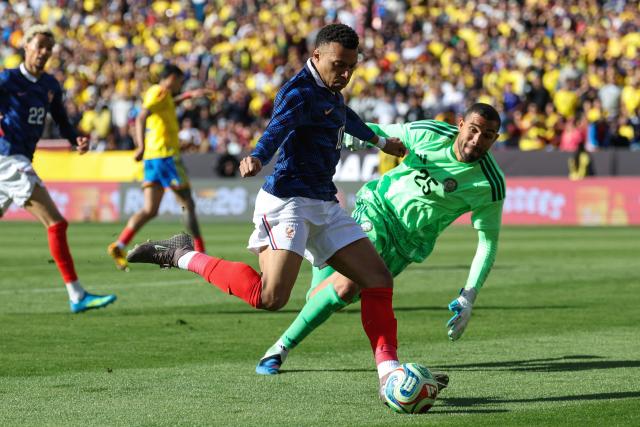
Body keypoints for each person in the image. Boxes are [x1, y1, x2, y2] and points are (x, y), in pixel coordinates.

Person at [126, 24, 409, 398]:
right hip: (288, 202)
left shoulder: (330, 91)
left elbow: (345, 117)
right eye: (339, 65)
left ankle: (388, 373)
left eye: (351, 67)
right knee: (270, 297)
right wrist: (258, 156)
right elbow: (277, 128)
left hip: (323, 202)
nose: (345, 74)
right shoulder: (297, 92)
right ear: (316, 57)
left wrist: (379, 140)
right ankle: (181, 254)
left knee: (377, 279)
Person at [255, 103, 505, 379]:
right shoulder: (429, 133)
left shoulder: (490, 184)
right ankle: (279, 350)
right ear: (461, 124)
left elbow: (487, 242)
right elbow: (383, 133)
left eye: (488, 135)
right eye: (473, 130)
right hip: (378, 208)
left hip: (408, 244)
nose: (477, 140)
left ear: (496, 138)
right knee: (346, 287)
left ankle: (321, 257)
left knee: (325, 296)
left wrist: (469, 295)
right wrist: (356, 136)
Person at [0, 25, 116, 313]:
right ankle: (77, 295)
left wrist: (74, 137)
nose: (43, 53)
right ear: (26, 46)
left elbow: (61, 119)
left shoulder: (49, 85)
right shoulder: (8, 79)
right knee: (56, 223)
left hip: (19, 157)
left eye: (48, 49)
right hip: (8, 158)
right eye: (39, 46)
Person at [107, 64, 211, 271]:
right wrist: (140, 146)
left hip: (153, 160)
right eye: (180, 81)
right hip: (166, 157)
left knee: (149, 209)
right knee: (187, 203)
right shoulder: (159, 91)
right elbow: (141, 116)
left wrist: (189, 95)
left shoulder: (162, 97)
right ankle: (200, 251)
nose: (181, 85)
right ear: (171, 77)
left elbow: (167, 104)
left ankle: (118, 245)